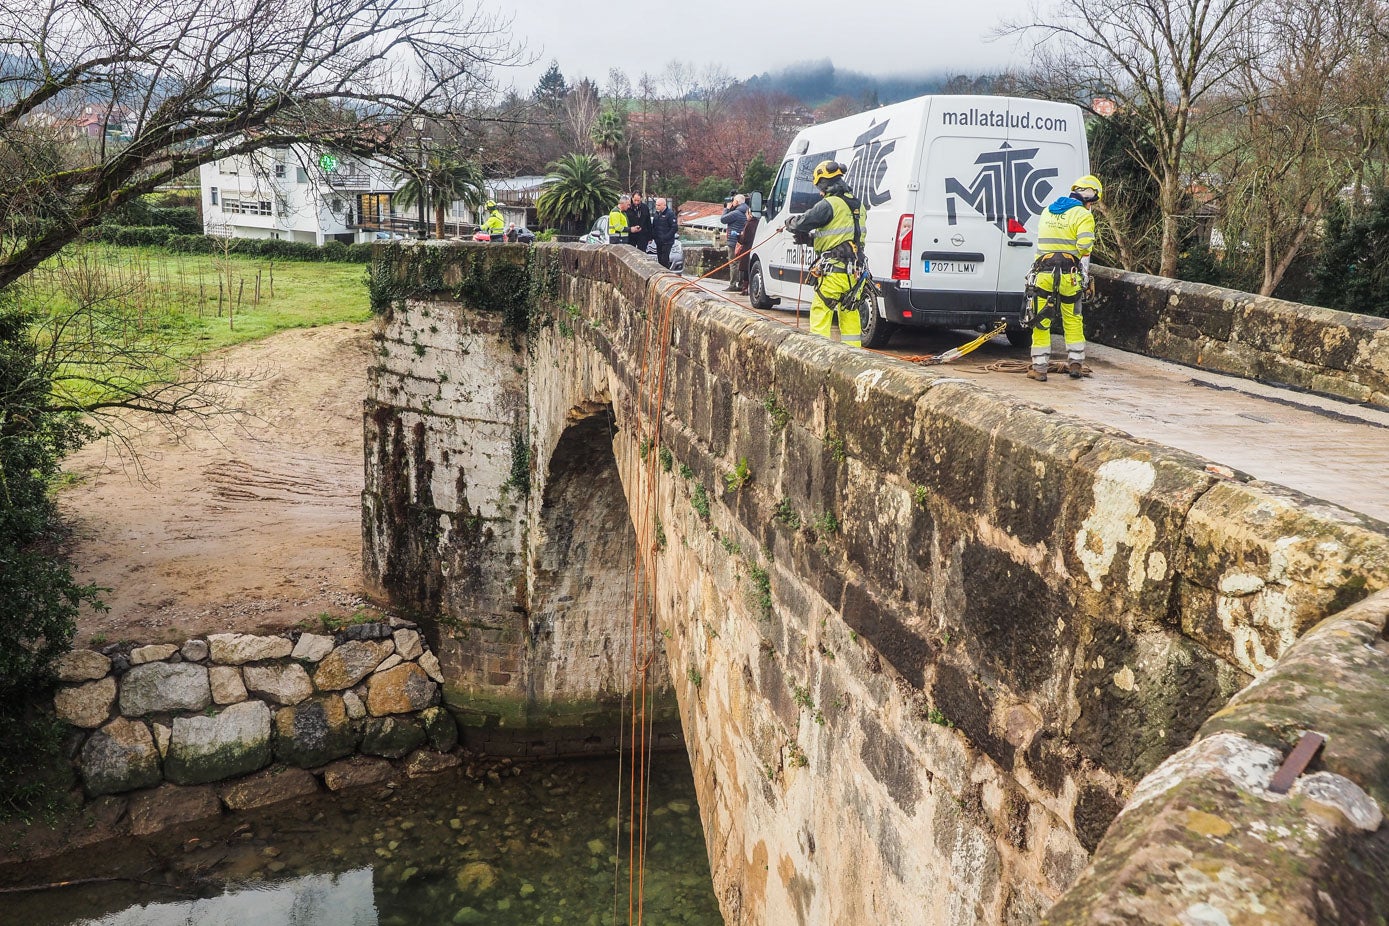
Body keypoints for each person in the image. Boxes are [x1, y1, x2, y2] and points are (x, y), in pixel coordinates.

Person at [1026, 175, 1101, 381]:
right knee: (1072, 317)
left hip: (1043, 272)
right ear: (1089, 199)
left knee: (1041, 319)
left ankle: (1039, 368)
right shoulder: (1083, 215)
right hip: (1069, 275)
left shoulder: (1048, 211)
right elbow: (1085, 246)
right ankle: (1076, 364)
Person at [784, 161, 866, 347]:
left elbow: (803, 222)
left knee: (821, 309)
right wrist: (812, 240)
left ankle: (818, 353)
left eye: (819, 187)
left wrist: (789, 223)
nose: (820, 192)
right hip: (855, 273)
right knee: (850, 312)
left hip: (834, 272)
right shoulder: (857, 205)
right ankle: (853, 355)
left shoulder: (829, 204)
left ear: (824, 183)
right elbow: (845, 236)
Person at [719, 193, 749, 292]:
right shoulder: (746, 211)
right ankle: (741, 284)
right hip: (741, 241)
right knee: (740, 263)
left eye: (734, 201)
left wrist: (727, 208)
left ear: (737, 202)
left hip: (733, 241)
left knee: (733, 263)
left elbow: (723, 219)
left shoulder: (736, 213)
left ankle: (732, 285)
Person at [651, 197, 678, 269]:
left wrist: (666, 237)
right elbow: (654, 227)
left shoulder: (670, 214)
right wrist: (653, 237)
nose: (657, 206)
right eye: (656, 205)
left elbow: (674, 228)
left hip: (667, 241)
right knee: (660, 259)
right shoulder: (657, 214)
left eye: (659, 205)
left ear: (664, 205)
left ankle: (667, 274)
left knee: (664, 259)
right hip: (658, 241)